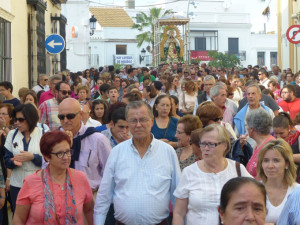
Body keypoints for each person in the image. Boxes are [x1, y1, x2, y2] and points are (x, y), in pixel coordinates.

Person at [94, 101, 180, 225]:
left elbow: (176, 194)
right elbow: (104, 195)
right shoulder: (117, 152)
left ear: (151, 121)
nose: (138, 125)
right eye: (133, 120)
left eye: (143, 119)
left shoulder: (168, 152)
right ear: (128, 123)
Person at [173, 124, 251, 225]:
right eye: (202, 143)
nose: (205, 148)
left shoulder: (237, 169)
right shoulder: (189, 172)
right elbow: (179, 213)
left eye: (211, 144)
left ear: (224, 145)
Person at [13, 131, 94, 224]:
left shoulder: (80, 178)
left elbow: (89, 210)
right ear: (47, 157)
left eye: (67, 151)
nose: (66, 157)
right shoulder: (31, 181)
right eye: (59, 153)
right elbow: (19, 218)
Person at [58, 98, 111, 198]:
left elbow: (109, 174)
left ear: (81, 115)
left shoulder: (97, 139)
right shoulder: (52, 139)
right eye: (61, 117)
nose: (65, 120)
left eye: (70, 116)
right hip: (60, 197)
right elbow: (46, 170)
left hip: (91, 197)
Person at [4, 104, 43, 212]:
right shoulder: (12, 134)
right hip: (17, 185)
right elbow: (6, 160)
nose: (17, 123)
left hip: (38, 184)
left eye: (21, 120)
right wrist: (13, 162)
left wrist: (33, 157)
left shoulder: (42, 133)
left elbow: (49, 160)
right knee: (18, 217)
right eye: (16, 119)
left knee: (37, 216)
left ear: (31, 118)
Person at [256, 139, 299, 224]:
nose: (270, 166)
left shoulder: (297, 192)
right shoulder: (254, 190)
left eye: (276, 160)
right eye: (266, 160)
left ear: (287, 164)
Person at [245, 108, 275, 178]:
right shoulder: (258, 144)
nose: (246, 129)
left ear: (251, 129)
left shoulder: (270, 147)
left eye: (246, 125)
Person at [273, 112, 300, 181]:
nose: (278, 137)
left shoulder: (297, 137)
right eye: (275, 133)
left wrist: (285, 156)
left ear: (288, 128)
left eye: (281, 133)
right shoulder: (271, 138)